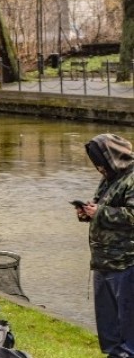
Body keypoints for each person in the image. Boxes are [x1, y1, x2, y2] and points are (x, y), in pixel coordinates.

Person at [77, 134, 134, 357]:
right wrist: (88, 212)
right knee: (107, 320)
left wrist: (99, 212)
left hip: (127, 261)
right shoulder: (109, 177)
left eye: (100, 161)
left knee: (128, 320)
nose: (98, 168)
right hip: (103, 260)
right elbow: (102, 206)